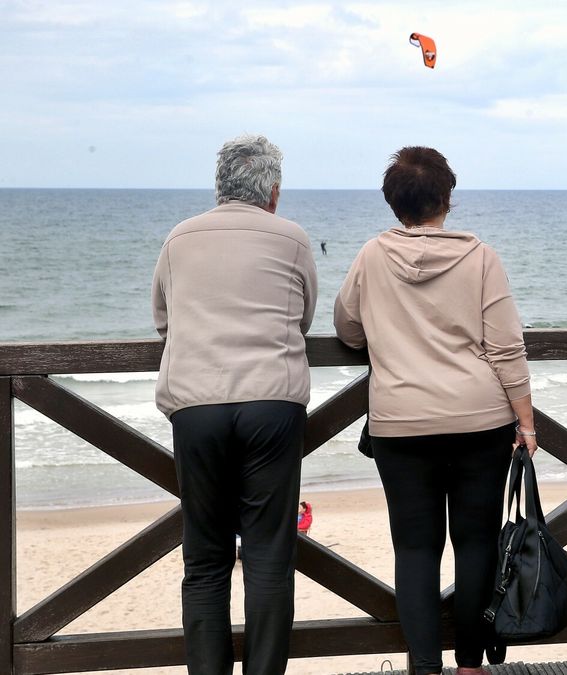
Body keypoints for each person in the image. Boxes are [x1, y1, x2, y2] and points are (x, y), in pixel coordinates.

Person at [334, 146, 534, 675]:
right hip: (479, 421)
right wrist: (527, 420)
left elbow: (348, 329)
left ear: (392, 202)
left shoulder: (372, 256)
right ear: (448, 198)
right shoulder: (481, 257)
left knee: (415, 550)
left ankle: (425, 668)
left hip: (400, 424)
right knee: (476, 546)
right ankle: (470, 666)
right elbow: (506, 347)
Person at [152, 134, 317, 675]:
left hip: (198, 406)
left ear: (219, 186)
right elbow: (305, 315)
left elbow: (163, 319)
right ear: (272, 191)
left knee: (204, 557)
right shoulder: (292, 238)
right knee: (269, 556)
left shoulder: (180, 239)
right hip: (272, 403)